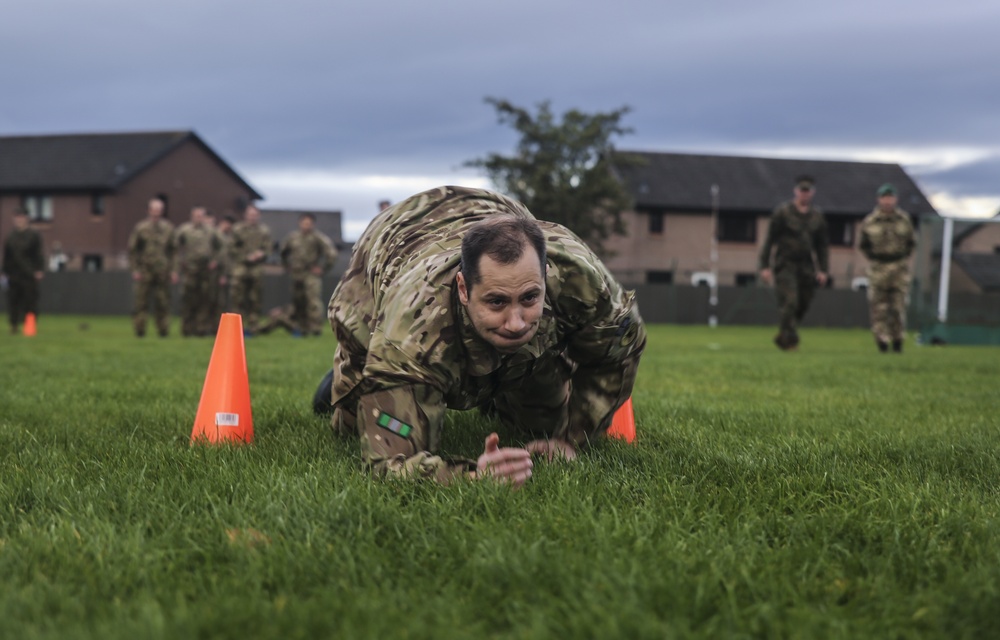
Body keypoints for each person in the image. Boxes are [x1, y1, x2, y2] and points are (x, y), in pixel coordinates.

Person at [318, 185, 646, 487]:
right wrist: (473, 476)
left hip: (493, 211)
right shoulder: (409, 330)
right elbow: (388, 463)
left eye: (530, 298)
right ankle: (362, 381)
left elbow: (616, 355)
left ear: (547, 277)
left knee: (542, 424)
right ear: (463, 289)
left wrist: (571, 439)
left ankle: (498, 388)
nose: (516, 322)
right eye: (497, 301)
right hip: (393, 238)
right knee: (353, 424)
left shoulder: (580, 278)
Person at [758, 175, 829, 351]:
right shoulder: (782, 213)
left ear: (812, 193)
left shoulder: (817, 217)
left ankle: (784, 333)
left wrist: (823, 270)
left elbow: (822, 246)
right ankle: (791, 340)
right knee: (790, 302)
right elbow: (770, 240)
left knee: (803, 303)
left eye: (807, 191)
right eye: (801, 191)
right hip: (785, 264)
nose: (804, 195)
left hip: (806, 266)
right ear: (796, 191)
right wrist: (765, 266)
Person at [858, 183, 916, 353]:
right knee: (879, 308)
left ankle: (898, 341)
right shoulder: (870, 221)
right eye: (885, 198)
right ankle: (881, 341)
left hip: (899, 268)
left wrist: (900, 260)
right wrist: (877, 260)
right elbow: (863, 245)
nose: (888, 201)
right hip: (878, 269)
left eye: (891, 198)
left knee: (898, 307)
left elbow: (911, 244)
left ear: (895, 199)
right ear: (879, 199)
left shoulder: (904, 220)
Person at [280, 213, 337, 336]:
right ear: (300, 223)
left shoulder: (318, 238)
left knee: (313, 301)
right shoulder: (292, 237)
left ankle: (316, 329)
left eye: (309, 223)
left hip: (310, 274)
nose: (306, 225)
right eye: (304, 223)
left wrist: (322, 268)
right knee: (298, 302)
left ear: (313, 224)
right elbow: (283, 252)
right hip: (296, 273)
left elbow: (331, 253)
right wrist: (287, 266)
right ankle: (302, 328)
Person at [127, 198, 176, 337]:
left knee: (163, 303)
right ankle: (140, 331)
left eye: (159, 209)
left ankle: (163, 331)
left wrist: (173, 270)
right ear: (148, 210)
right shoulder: (140, 228)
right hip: (144, 272)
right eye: (154, 209)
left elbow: (174, 251)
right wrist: (135, 269)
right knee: (140, 303)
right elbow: (133, 250)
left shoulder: (168, 228)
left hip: (163, 272)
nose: (156, 212)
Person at [173, 206, 224, 336]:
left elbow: (221, 247)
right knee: (188, 300)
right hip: (189, 270)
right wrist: (179, 262)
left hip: (205, 271)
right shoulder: (184, 230)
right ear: (192, 216)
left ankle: (201, 329)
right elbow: (174, 247)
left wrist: (215, 260)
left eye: (201, 216)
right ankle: (187, 329)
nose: (199, 218)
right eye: (196, 216)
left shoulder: (211, 231)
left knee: (204, 300)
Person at [229, 205, 272, 334]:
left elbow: (268, 249)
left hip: (256, 268)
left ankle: (253, 326)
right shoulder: (237, 229)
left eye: (255, 215)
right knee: (237, 298)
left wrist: (261, 254)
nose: (252, 217)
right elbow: (231, 248)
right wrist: (245, 256)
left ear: (258, 216)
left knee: (255, 298)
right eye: (250, 214)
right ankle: (236, 327)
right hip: (241, 267)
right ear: (245, 215)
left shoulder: (264, 231)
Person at [2, 209, 44, 334]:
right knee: (13, 300)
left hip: (29, 273)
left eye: (21, 217)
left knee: (30, 300)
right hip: (13, 274)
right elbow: (7, 256)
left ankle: (29, 326)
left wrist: (39, 270)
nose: (19, 220)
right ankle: (14, 325)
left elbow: (38, 254)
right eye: (17, 217)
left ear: (26, 218)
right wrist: (3, 271)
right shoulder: (10, 236)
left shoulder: (33, 235)